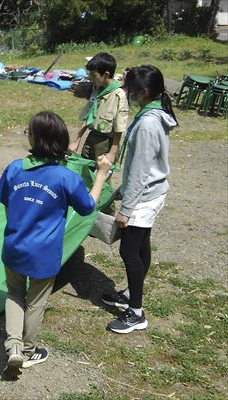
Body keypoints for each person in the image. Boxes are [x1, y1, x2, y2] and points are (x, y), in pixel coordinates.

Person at [0, 111, 112, 378]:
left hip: (14, 245)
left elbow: (6, 206)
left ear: (35, 139)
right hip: (44, 253)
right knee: (36, 301)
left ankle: (12, 346)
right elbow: (87, 207)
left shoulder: (15, 168)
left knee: (14, 293)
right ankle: (27, 349)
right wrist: (101, 175)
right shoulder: (65, 178)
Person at [101, 65, 177, 334]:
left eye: (131, 91)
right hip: (151, 192)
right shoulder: (154, 113)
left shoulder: (147, 123)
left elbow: (143, 169)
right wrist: (123, 188)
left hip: (144, 197)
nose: (128, 95)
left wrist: (126, 208)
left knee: (128, 251)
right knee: (142, 244)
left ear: (143, 92)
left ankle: (136, 312)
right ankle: (131, 293)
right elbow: (142, 164)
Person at [69, 52, 128, 164]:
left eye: (94, 75)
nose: (91, 78)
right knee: (84, 173)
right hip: (91, 138)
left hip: (106, 143)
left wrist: (112, 153)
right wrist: (76, 141)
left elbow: (119, 128)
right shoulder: (96, 91)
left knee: (101, 177)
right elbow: (88, 116)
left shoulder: (118, 95)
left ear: (105, 75)